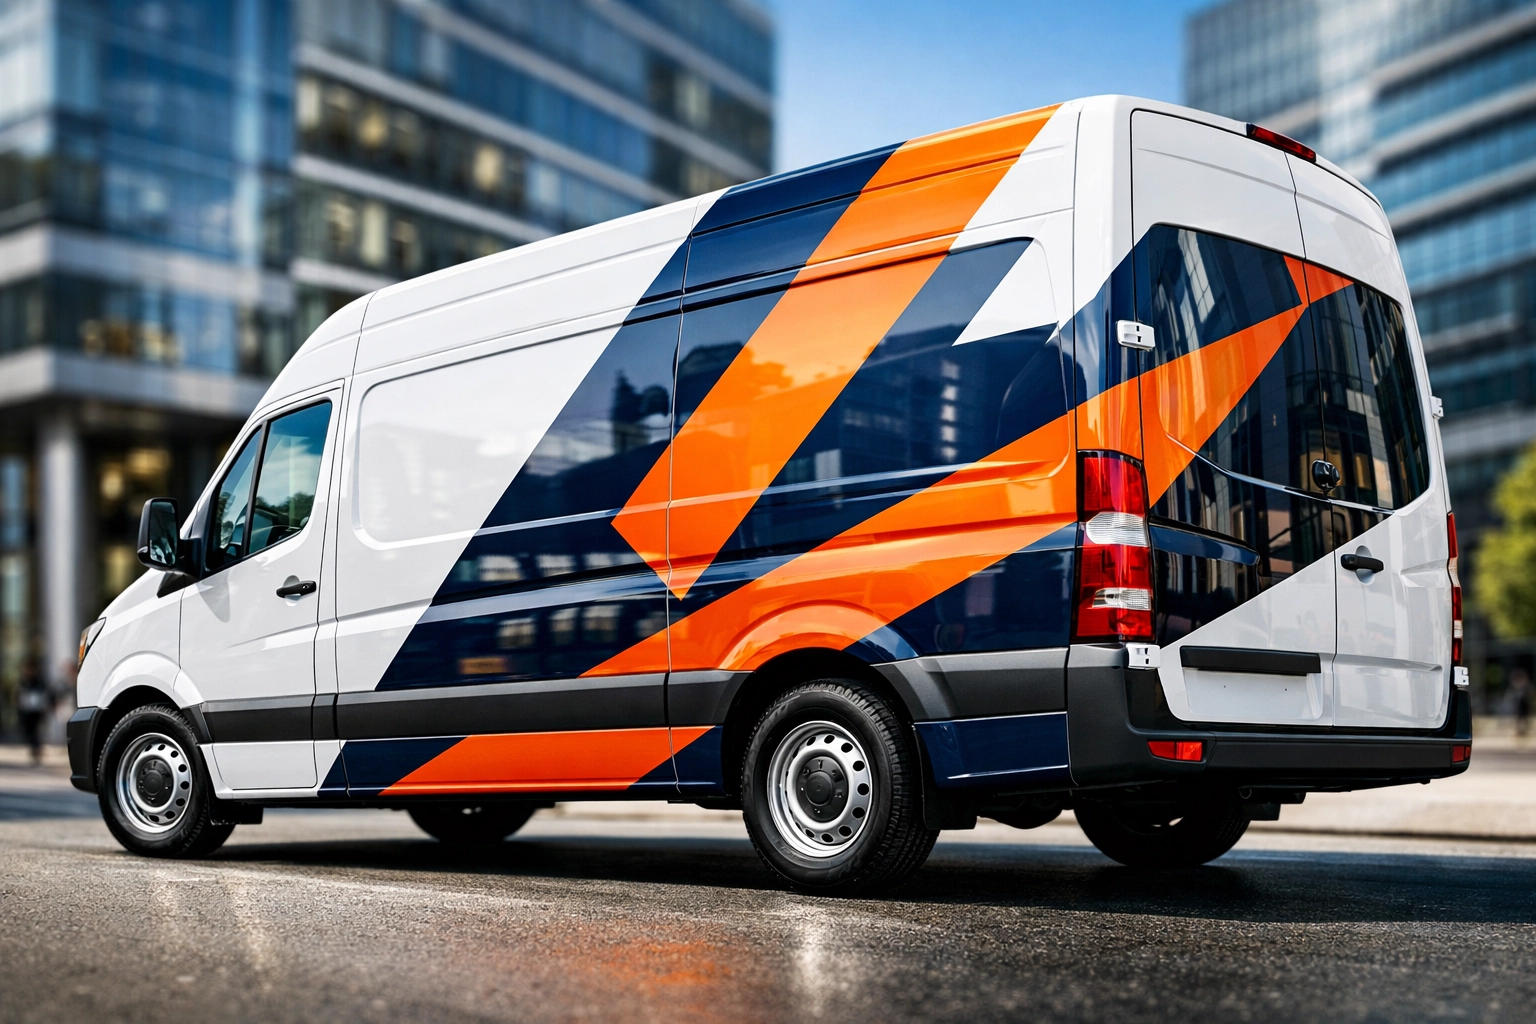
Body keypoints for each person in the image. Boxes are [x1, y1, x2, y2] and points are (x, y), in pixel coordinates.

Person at [17, 660, 49, 766]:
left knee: (36, 732)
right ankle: (34, 750)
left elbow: (45, 693)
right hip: (26, 711)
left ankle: (36, 751)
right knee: (29, 732)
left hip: (36, 711)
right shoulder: (23, 681)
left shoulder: (39, 681)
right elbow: (19, 695)